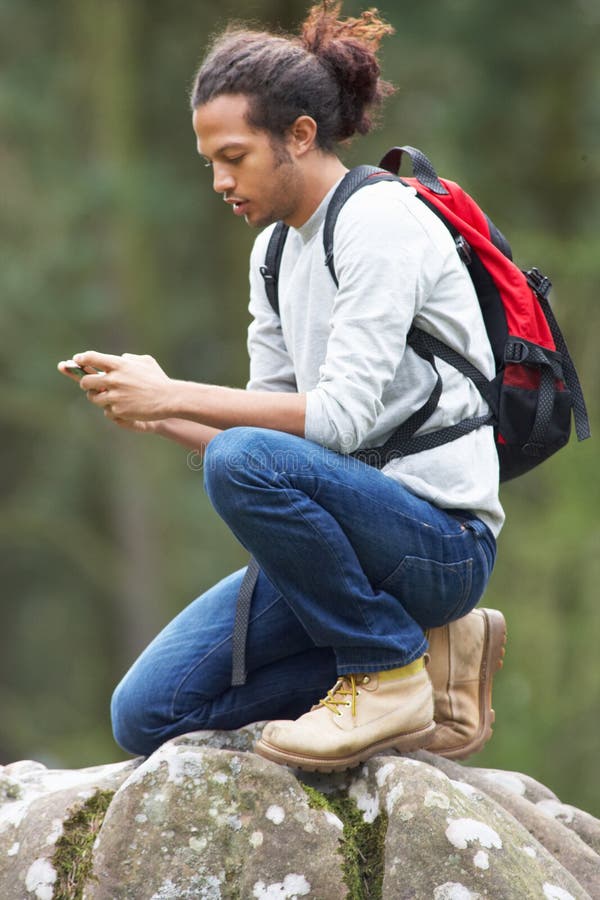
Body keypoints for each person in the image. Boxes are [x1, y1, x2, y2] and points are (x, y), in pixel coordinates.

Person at [58, 0, 506, 772]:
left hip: (439, 545)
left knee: (243, 463)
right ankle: (428, 660)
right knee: (148, 714)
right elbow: (264, 439)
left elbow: (330, 422)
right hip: (347, 543)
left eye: (234, 156)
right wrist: (152, 414)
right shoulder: (273, 253)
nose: (219, 180)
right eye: (209, 162)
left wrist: (175, 393)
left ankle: (386, 666)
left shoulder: (380, 222)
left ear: (300, 135)